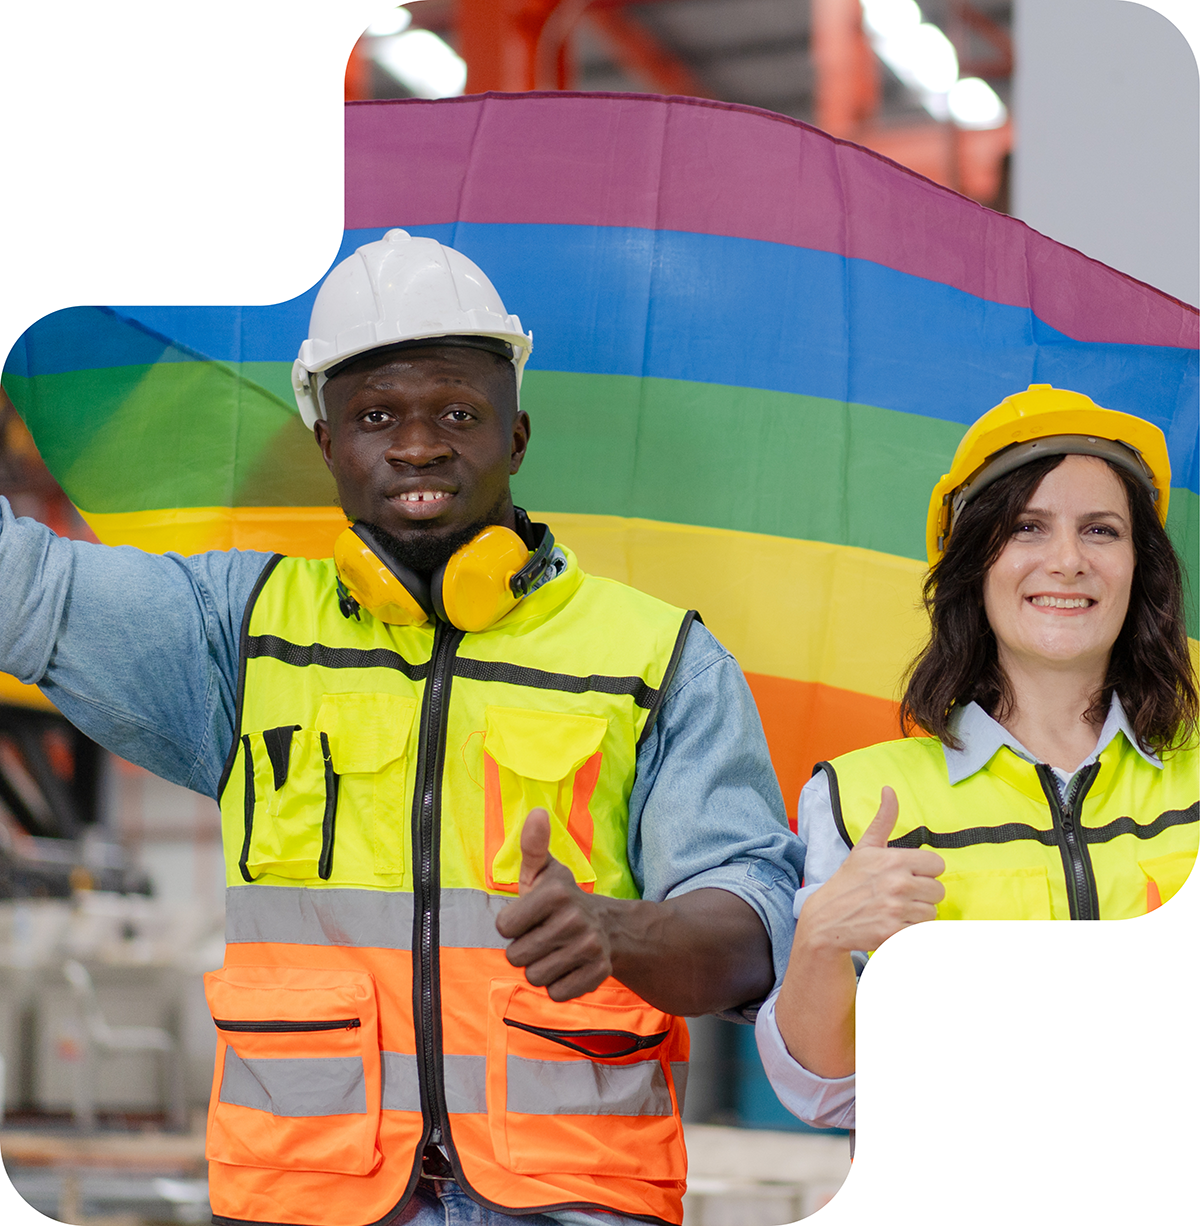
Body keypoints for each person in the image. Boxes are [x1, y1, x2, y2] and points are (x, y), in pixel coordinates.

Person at [0, 230, 803, 1226]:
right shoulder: (235, 636)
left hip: (569, 1201)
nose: (418, 444)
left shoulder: (657, 660)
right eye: (376, 414)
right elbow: (18, 581)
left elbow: (757, 931)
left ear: (515, 434)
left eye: (458, 413)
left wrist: (619, 928)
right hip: (310, 1196)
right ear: (326, 439)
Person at [755, 384, 1199, 1131]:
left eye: (1100, 531)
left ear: (1139, 568)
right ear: (975, 566)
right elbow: (824, 1093)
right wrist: (823, 938)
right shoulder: (861, 799)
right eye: (1028, 528)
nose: (1067, 561)